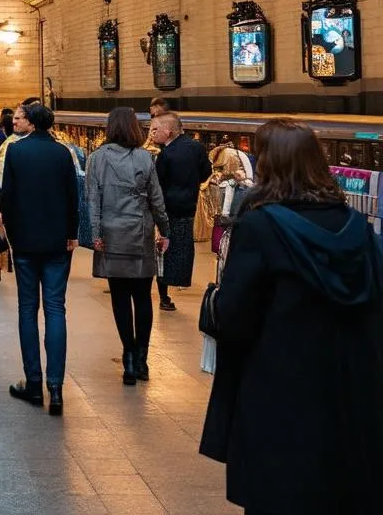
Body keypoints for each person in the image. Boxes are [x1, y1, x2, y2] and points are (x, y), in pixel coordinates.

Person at [200, 119, 383, 514]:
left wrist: (212, 303)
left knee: (279, 493)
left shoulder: (260, 227)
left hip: (278, 386)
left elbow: (234, 316)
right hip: (348, 387)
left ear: (270, 165)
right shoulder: (357, 228)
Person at [0, 103, 79, 415]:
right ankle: (56, 387)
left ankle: (34, 383)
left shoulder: (17, 153)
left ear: (30, 122)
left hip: (26, 242)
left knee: (28, 309)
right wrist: (71, 233)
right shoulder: (63, 153)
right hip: (58, 240)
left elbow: (8, 196)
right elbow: (74, 197)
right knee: (56, 309)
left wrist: (11, 233)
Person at [86, 107, 170, 385]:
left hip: (110, 235)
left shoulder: (97, 159)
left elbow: (92, 200)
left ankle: (129, 358)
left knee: (119, 298)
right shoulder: (145, 158)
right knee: (143, 297)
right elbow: (156, 200)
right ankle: (143, 360)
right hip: (140, 233)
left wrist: (96, 233)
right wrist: (165, 230)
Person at [150, 112, 210, 311]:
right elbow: (205, 173)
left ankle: (164, 295)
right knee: (183, 247)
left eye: (155, 129)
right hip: (189, 207)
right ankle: (180, 278)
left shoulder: (165, 155)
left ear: (168, 131)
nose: (152, 133)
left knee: (164, 251)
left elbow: (158, 184)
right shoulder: (197, 147)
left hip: (167, 210)